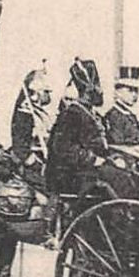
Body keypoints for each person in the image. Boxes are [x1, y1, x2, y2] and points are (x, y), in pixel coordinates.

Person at [45, 58, 109, 196]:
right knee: (118, 178)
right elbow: (62, 147)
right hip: (70, 174)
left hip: (86, 170)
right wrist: (92, 159)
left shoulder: (89, 112)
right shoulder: (71, 114)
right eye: (91, 91)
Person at [10, 63, 55, 182]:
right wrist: (37, 165)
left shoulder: (38, 111)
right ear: (37, 92)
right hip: (30, 168)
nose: (48, 95)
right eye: (46, 92)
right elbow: (20, 148)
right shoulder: (25, 113)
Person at [104, 64, 139, 146]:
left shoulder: (130, 115)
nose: (134, 95)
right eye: (130, 90)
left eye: (136, 90)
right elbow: (118, 145)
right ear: (118, 92)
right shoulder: (114, 116)